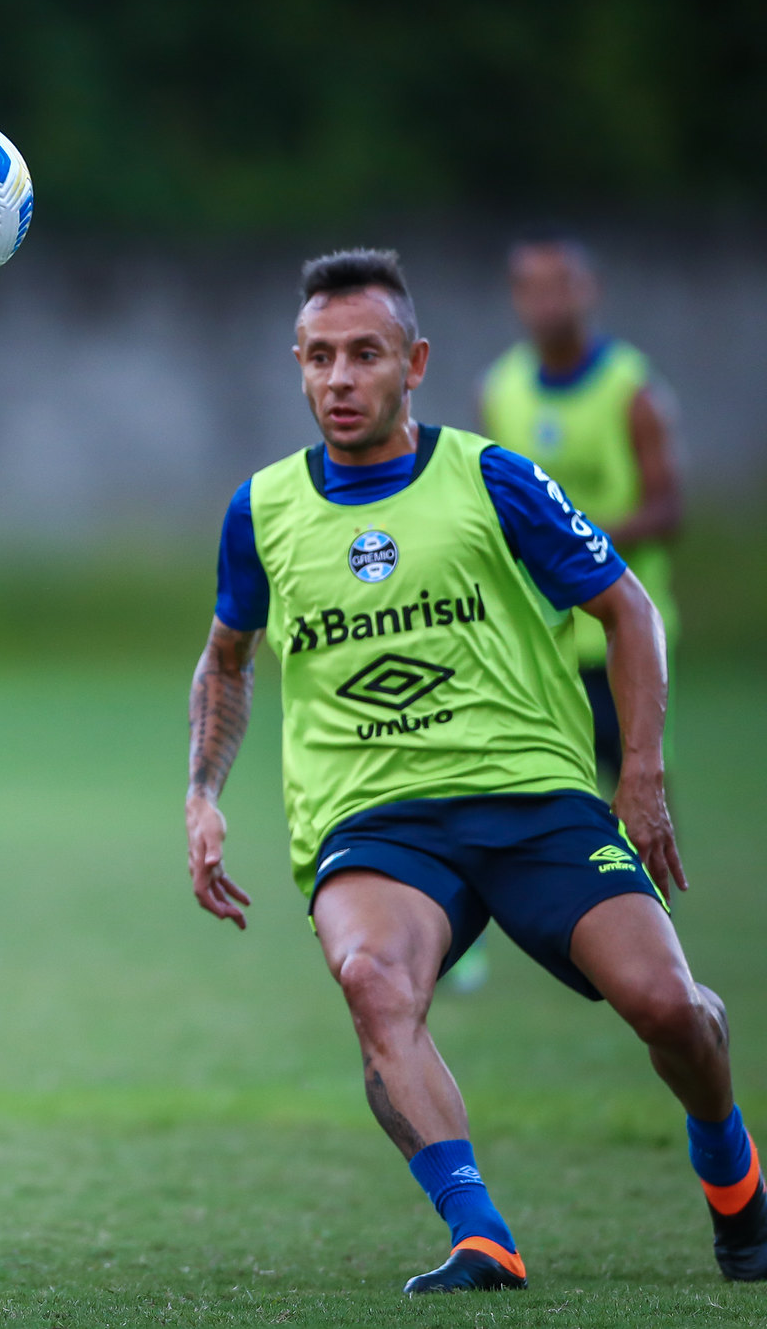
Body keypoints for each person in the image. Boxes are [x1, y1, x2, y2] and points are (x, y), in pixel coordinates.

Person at [183, 249, 762, 1294]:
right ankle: (479, 1233)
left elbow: (627, 609)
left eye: (364, 354)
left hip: (533, 797)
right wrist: (202, 795)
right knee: (372, 980)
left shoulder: (491, 478)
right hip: (375, 817)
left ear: (414, 363)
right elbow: (226, 660)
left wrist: (639, 773)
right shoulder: (260, 509)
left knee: (667, 1007)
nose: (339, 378)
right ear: (297, 365)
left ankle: (730, 1168)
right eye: (318, 356)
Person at [480, 232, 683, 785]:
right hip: (539, 637)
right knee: (548, 793)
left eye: (561, 285)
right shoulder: (499, 390)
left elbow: (667, 510)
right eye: (532, 288)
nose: (547, 302)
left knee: (639, 789)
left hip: (621, 630)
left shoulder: (633, 390)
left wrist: (571, 542)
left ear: (589, 289)